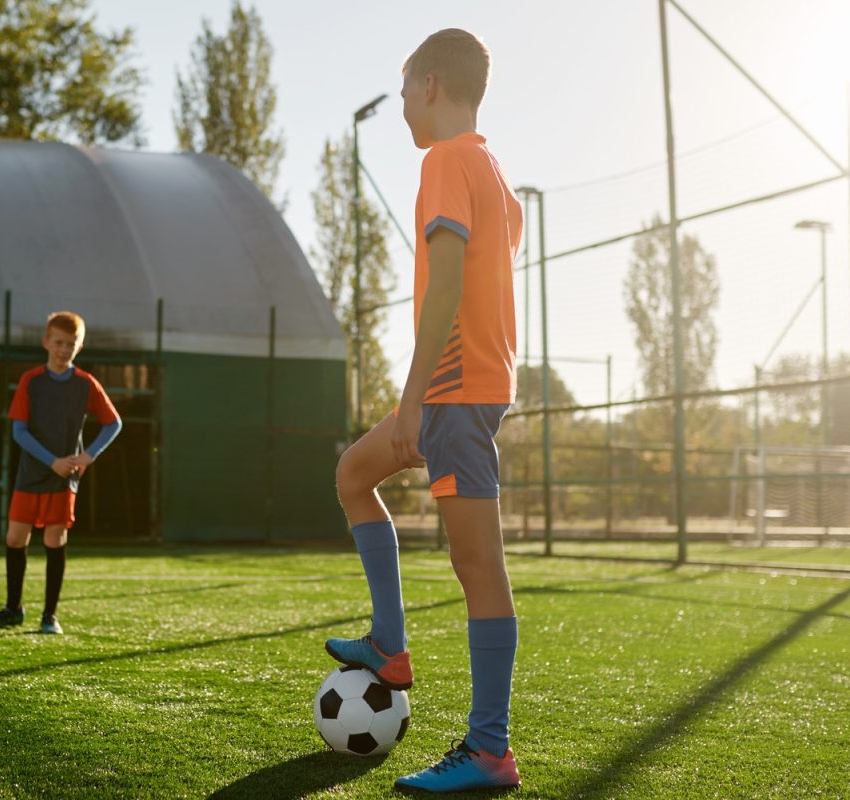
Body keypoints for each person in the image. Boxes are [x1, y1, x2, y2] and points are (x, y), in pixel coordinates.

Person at [323, 28, 525, 792]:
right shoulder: (493, 170)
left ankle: (489, 752)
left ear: (431, 85)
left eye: (406, 88)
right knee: (354, 472)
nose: (404, 102)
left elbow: (445, 285)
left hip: (453, 392)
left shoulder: (445, 160)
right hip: (466, 387)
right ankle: (389, 644)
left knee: (478, 568)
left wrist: (412, 400)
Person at [0, 311, 121, 636]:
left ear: (79, 347)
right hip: (31, 474)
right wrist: (51, 460)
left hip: (63, 478)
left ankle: (50, 616)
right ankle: (13, 609)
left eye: (71, 344)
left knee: (55, 539)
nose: (63, 349)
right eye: (58, 342)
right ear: (46, 342)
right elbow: (19, 432)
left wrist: (87, 455)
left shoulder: (85, 384)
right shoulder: (31, 380)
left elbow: (114, 423)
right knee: (15, 538)